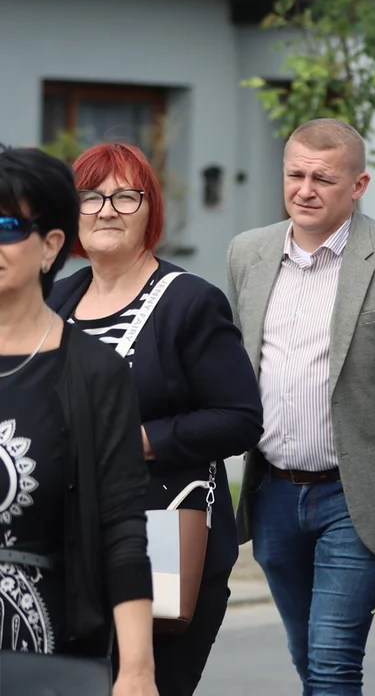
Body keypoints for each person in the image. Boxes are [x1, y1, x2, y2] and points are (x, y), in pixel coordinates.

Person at [227, 117, 375, 695]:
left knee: (331, 659)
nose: (305, 189)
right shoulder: (248, 254)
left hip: (358, 495)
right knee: (306, 654)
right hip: (272, 490)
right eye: (295, 174)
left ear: (359, 184)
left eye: (323, 178)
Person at [47, 142, 263, 696]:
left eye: (125, 195)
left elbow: (239, 419)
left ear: (151, 210)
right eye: (90, 196)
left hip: (158, 545)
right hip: (64, 552)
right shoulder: (56, 301)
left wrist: (135, 440)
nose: (106, 209)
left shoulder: (189, 302)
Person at [0, 145, 158, 695]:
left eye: (6, 225)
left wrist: (137, 670)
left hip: (50, 655)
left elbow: (121, 526)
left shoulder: (93, 372)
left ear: (50, 247)